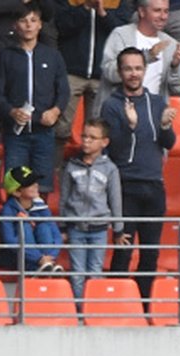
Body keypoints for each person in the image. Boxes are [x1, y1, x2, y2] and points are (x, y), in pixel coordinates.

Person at [100, 47, 177, 298]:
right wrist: (130, 126)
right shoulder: (111, 105)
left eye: (138, 68)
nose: (133, 74)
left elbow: (168, 143)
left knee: (150, 252)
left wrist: (166, 127)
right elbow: (114, 149)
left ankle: (143, 306)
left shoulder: (156, 102)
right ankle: (117, 302)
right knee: (123, 250)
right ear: (120, 72)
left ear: (144, 70)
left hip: (154, 185)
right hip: (125, 186)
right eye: (128, 68)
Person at [0, 2, 70, 195]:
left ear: (40, 25)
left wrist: (55, 111)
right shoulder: (5, 56)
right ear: (14, 25)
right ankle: (16, 223)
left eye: (33, 20)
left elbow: (64, 91)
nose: (28, 25)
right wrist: (11, 111)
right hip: (15, 134)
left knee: (42, 187)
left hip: (44, 133)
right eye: (23, 20)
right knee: (14, 186)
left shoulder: (52, 56)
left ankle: (40, 225)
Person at [54, 0, 133, 159]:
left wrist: (103, 13)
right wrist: (85, 8)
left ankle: (94, 175)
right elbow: (61, 25)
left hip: (103, 74)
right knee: (60, 129)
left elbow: (122, 32)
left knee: (98, 132)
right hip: (71, 70)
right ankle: (53, 176)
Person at [59, 118, 124, 298]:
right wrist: (63, 226)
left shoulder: (110, 169)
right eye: (84, 136)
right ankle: (79, 311)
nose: (86, 141)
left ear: (104, 142)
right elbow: (64, 198)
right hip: (75, 227)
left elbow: (115, 200)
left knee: (95, 271)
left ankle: (92, 309)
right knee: (77, 273)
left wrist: (118, 230)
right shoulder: (71, 166)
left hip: (99, 229)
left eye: (92, 138)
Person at [96, 0, 180, 115]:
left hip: (151, 117)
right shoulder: (121, 35)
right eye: (157, 11)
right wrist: (147, 56)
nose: (163, 16)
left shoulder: (171, 45)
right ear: (141, 11)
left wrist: (175, 66)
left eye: (166, 11)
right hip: (117, 114)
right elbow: (109, 73)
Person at [0, 165, 62, 272]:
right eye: (29, 184)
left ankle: (47, 266)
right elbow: (10, 241)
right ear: (17, 192)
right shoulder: (7, 210)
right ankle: (35, 268)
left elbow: (56, 235)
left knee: (44, 227)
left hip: (42, 258)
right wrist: (38, 258)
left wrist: (50, 257)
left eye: (35, 181)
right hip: (9, 256)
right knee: (24, 226)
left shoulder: (41, 205)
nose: (35, 185)